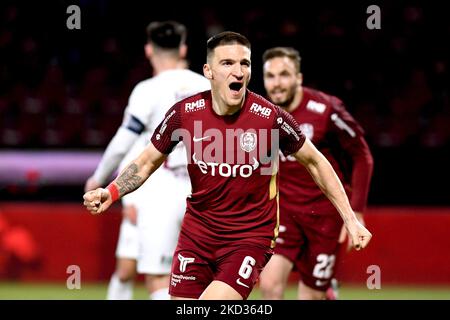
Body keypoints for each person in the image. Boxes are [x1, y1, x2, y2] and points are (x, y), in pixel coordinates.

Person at [83, 31, 372, 300]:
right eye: (227, 63)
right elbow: (147, 161)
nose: (239, 71)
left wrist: (350, 217)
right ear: (208, 72)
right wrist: (111, 192)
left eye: (244, 63)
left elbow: (316, 162)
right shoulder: (185, 114)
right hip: (196, 236)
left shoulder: (270, 118)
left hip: (248, 238)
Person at [84, 20, 210, 300]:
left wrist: (99, 178)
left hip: (161, 191)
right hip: (204, 189)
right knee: (202, 278)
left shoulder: (147, 90)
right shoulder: (206, 85)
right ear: (183, 49)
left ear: (148, 50)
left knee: (161, 279)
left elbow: (123, 142)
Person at [258, 47, 374, 300]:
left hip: (325, 216)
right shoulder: (260, 113)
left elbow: (361, 155)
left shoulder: (325, 109)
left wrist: (355, 212)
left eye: (284, 75)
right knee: (269, 285)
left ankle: (326, 290)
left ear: (298, 78)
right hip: (284, 212)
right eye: (270, 76)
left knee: (309, 296)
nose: (277, 84)